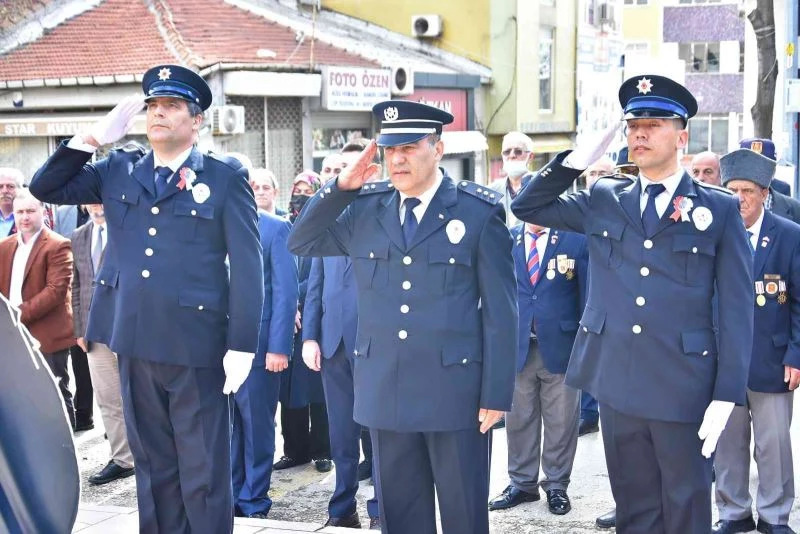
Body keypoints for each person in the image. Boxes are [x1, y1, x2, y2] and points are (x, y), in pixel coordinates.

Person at [511, 74, 753, 533]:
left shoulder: (717, 208)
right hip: (618, 381)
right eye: (633, 125)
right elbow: (527, 206)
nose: (639, 134)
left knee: (685, 506)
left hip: (684, 384)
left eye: (653, 124)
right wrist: (576, 161)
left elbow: (739, 309)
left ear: (681, 137)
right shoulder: (606, 196)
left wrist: (727, 393)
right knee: (634, 507)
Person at [28, 64, 264, 534]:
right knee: (153, 469)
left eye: (172, 106)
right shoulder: (119, 169)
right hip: (133, 341)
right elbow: (44, 187)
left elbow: (248, 266)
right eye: (153, 105)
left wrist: (242, 345)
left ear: (197, 120)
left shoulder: (223, 178)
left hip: (196, 345)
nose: (158, 113)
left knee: (203, 470)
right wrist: (92, 138)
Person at [288, 100, 517, 534]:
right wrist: (341, 187)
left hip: (456, 393)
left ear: (438, 148)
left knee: (464, 516)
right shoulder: (364, 208)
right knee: (401, 518)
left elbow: (502, 311)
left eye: (409, 147)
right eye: (390, 149)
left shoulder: (477, 211)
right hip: (386, 391)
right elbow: (301, 240)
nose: (397, 159)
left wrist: (496, 393)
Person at [712, 149, 800, 534]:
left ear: (765, 193)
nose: (739, 198)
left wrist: (796, 354)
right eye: (732, 190)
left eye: (747, 190)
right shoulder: (712, 233)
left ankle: (775, 516)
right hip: (722, 362)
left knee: (773, 444)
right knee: (727, 443)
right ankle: (733, 512)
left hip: (772, 358)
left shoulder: (789, 235)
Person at [302, 142, 382, 529]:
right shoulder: (328, 224)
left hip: (375, 345)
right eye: (337, 170)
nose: (344, 176)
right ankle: (342, 507)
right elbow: (315, 286)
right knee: (341, 434)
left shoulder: (383, 217)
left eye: (352, 168)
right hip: (333, 344)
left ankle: (382, 508)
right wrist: (310, 337)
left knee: (380, 432)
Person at [489, 222, 587, 515]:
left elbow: (586, 293)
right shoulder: (507, 239)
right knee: (518, 419)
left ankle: (556, 485)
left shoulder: (575, 239)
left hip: (561, 345)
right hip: (518, 345)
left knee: (561, 421)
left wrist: (584, 343)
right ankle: (522, 484)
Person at [231, 195, 297, 518]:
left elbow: (286, 292)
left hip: (260, 350)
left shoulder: (275, 228)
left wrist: (279, 347)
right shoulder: (214, 222)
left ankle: (254, 500)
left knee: (257, 428)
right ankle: (231, 496)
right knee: (227, 429)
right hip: (219, 349)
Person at [71, 203, 135, 484]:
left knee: (140, 397)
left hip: (131, 329)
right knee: (108, 399)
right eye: (91, 201)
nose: (97, 206)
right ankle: (123, 459)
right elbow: (77, 285)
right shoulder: (78, 236)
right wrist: (80, 329)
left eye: (100, 199)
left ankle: (153, 454)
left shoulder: (130, 228)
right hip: (94, 333)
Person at [0, 190, 75, 426]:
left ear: (43, 211)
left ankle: (66, 446)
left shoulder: (58, 245)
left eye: (30, 211)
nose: (25, 217)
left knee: (54, 395)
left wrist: (15, 315)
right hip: (10, 334)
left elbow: (56, 291)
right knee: (20, 397)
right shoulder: (4, 246)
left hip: (47, 334)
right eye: (20, 212)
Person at [276, 171, 332, 473]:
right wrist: (286, 304)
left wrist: (295, 298)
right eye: (296, 190)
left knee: (317, 389)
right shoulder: (284, 225)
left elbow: (321, 277)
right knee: (291, 390)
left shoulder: (326, 227)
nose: (300, 196)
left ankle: (323, 450)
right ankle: (294, 451)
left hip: (315, 318)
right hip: (288, 322)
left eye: (307, 191)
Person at [54, 203, 95, 432]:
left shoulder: (106, 208)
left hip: (99, 292)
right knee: (78, 356)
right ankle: (83, 413)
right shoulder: (63, 213)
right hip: (72, 292)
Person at [740, 138, 800, 224]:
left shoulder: (795, 209)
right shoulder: (725, 202)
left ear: (774, 170)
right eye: (749, 166)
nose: (756, 172)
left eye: (763, 166)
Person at [489, 131, 534, 228]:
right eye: (507, 152)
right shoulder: (491, 191)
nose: (512, 155)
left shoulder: (543, 187)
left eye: (518, 151)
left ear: (530, 157)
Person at [0, 167, 22, 237]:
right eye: (0, 187)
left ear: (20, 189)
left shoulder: (27, 215)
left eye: (10, 186)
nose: (5, 191)